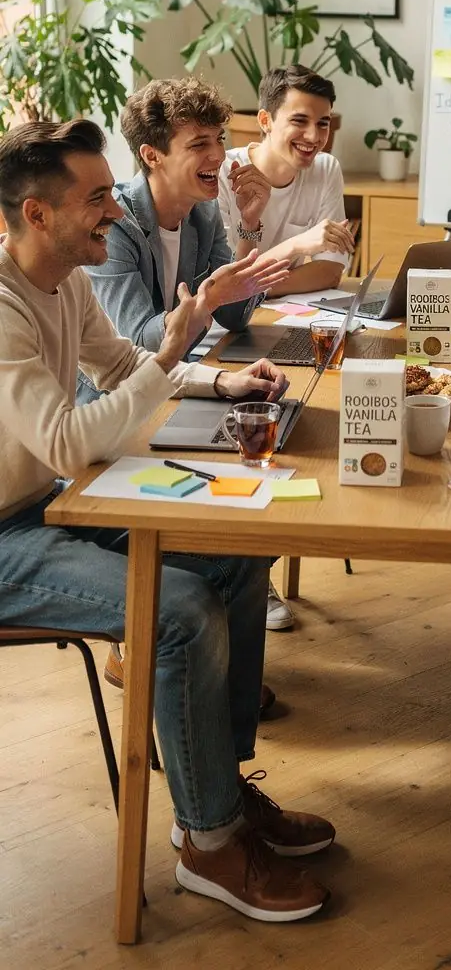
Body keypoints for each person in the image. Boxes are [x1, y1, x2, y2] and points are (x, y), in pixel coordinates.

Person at [0, 120, 334, 922]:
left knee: (235, 557)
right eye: (97, 199)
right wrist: (170, 351)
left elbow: (120, 366)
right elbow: (72, 437)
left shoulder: (64, 279)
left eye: (113, 194)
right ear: (37, 214)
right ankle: (210, 845)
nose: (114, 212)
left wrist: (221, 385)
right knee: (179, 613)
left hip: (49, 503)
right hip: (9, 534)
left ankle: (222, 793)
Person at [83, 77, 296, 633]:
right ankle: (167, 615)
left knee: (268, 432)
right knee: (243, 449)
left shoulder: (202, 215)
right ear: (152, 155)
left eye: (219, 138)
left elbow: (235, 315)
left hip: (170, 381)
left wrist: (249, 224)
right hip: (116, 403)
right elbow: (136, 343)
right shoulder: (117, 225)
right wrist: (204, 302)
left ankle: (235, 587)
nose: (219, 155)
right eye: (198, 143)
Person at [217, 65, 356, 299]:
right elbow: (226, 283)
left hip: (280, 313)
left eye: (323, 123)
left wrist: (253, 291)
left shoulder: (326, 169)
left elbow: (330, 272)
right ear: (265, 120)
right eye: (299, 121)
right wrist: (297, 245)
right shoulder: (224, 172)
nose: (314, 136)